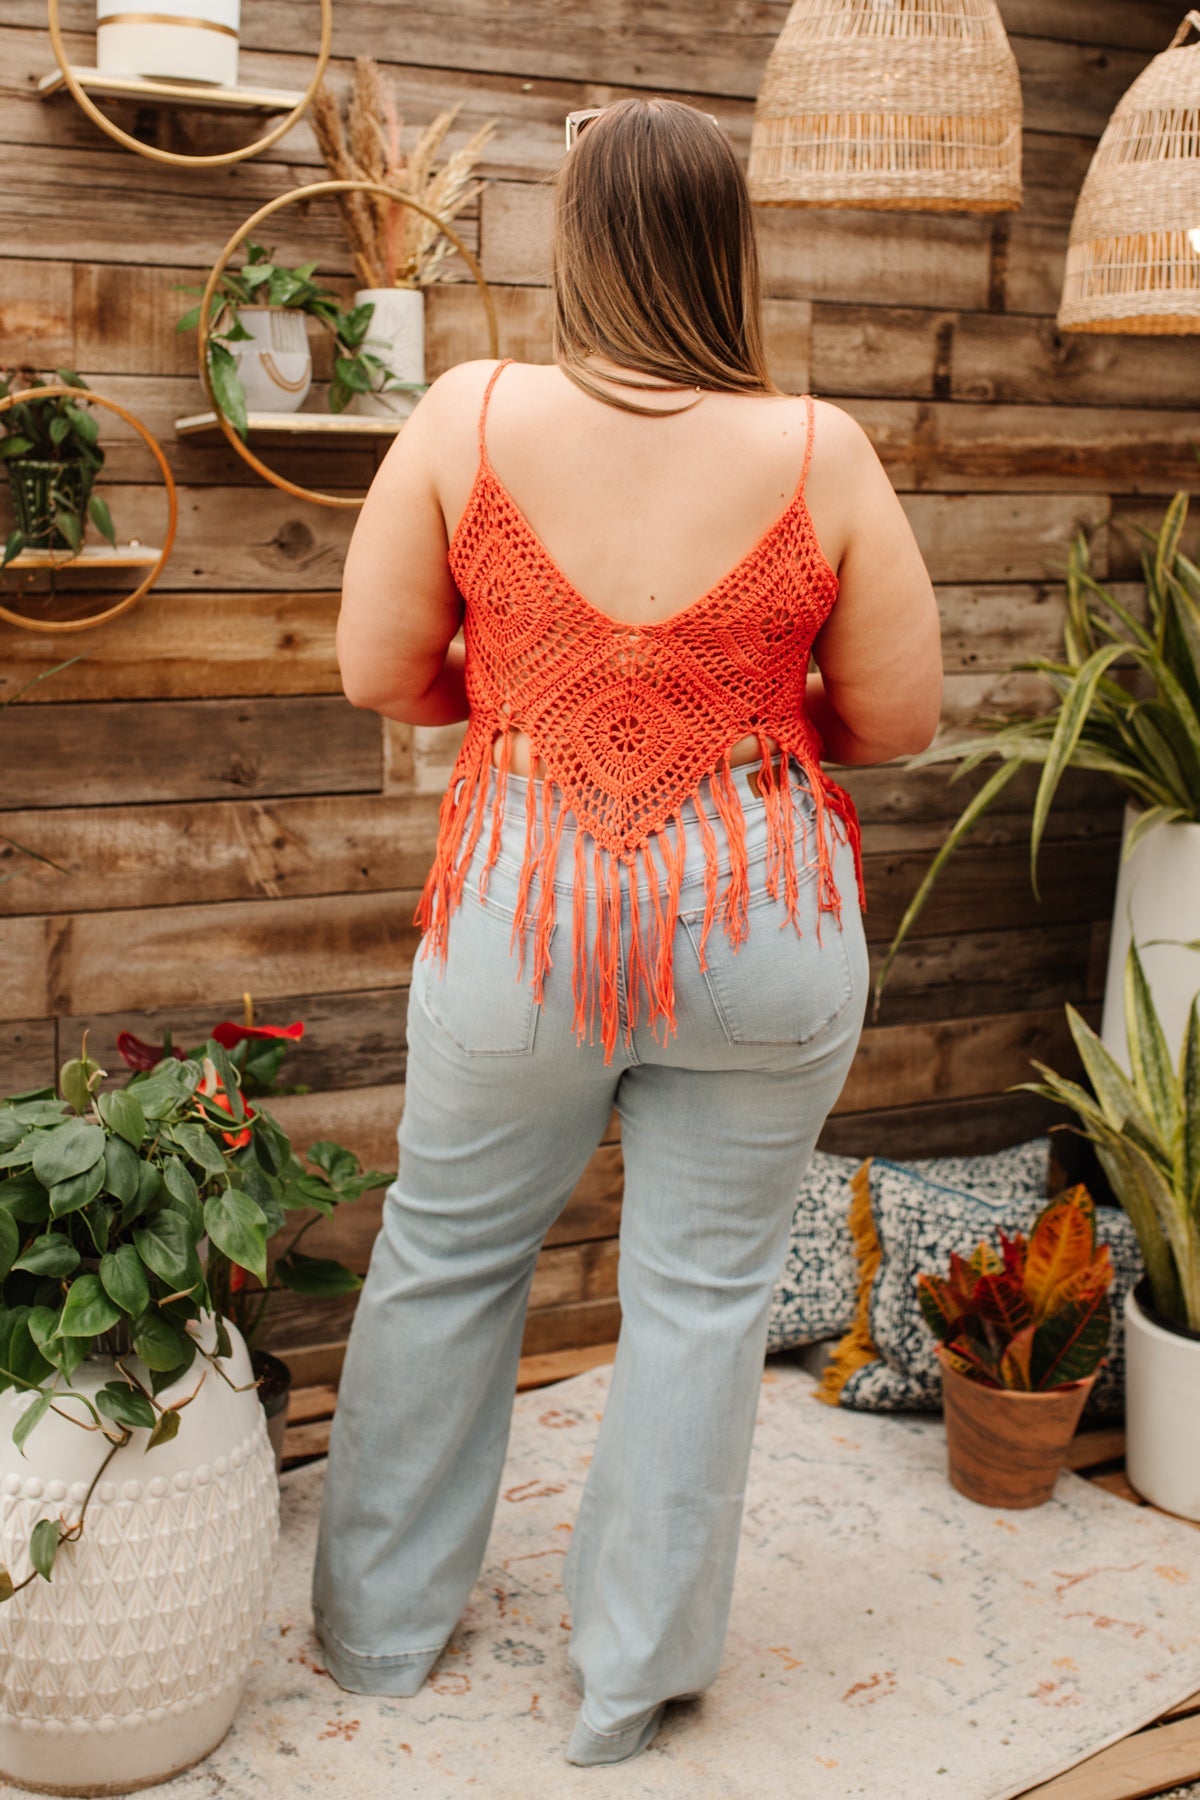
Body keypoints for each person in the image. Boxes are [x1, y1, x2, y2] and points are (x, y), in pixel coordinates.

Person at [310, 96, 942, 1767]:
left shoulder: (465, 413)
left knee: (448, 1256)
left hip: (526, 904)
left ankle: (379, 1638)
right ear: (727, 247)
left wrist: (541, 703)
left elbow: (381, 672)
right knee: (705, 1297)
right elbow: (895, 719)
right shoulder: (821, 448)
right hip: (761, 911)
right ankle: (627, 1687)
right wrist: (735, 718)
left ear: (575, 245)